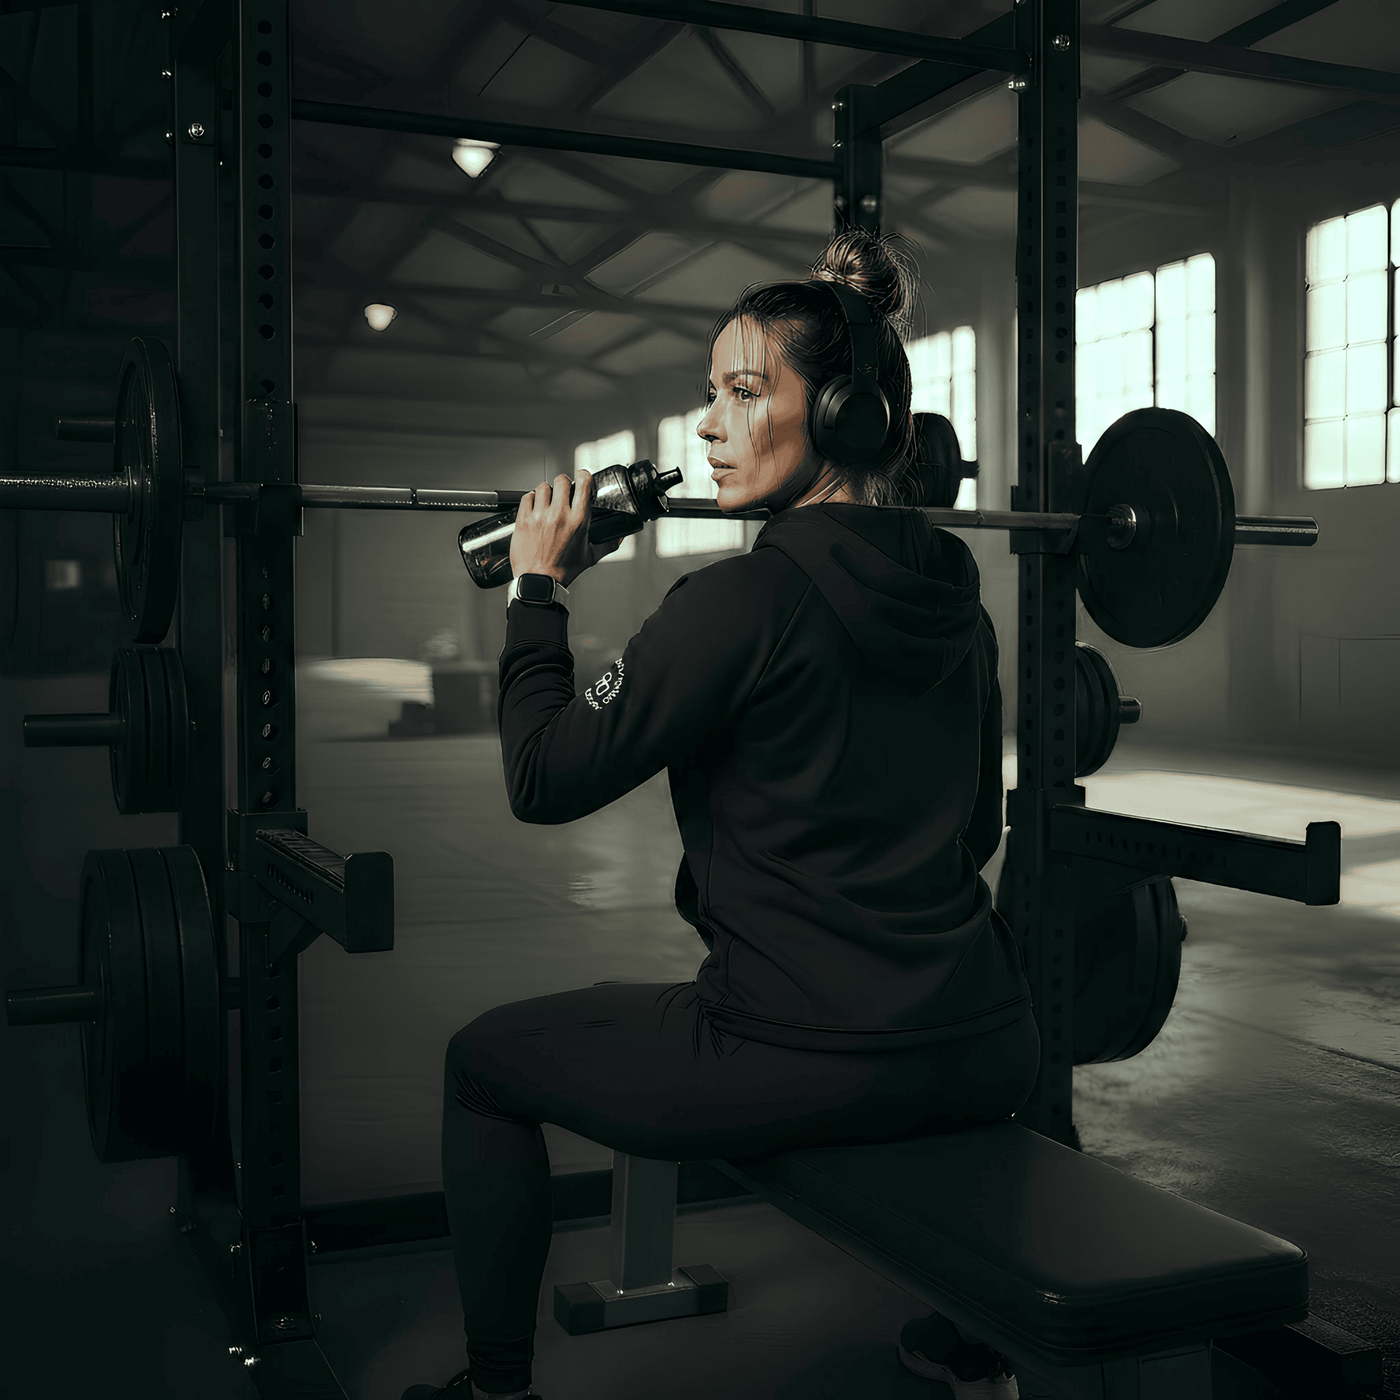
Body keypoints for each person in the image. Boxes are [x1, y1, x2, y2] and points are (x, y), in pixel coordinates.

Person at [401, 230, 1039, 1400]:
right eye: (709, 394)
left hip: (801, 1055)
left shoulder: (739, 600)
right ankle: (972, 1351)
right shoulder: (964, 603)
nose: (704, 424)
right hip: (984, 1040)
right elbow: (972, 836)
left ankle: (492, 1389)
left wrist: (539, 592)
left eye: (742, 393)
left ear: (844, 417)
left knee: (478, 1064)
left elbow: (542, 776)